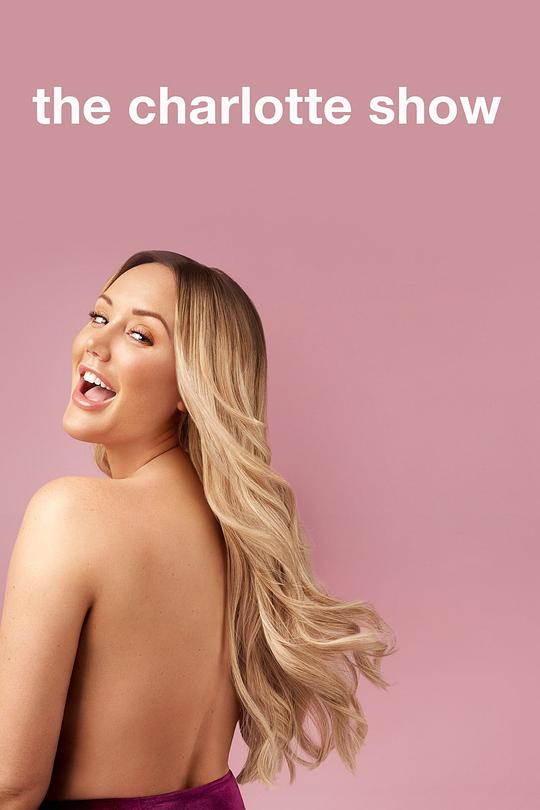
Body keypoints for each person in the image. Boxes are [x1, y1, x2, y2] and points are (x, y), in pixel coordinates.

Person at [0, 250, 397, 809]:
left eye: (140, 336)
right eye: (99, 316)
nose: (97, 342)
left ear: (191, 386)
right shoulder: (241, 537)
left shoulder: (70, 514)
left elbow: (12, 785)